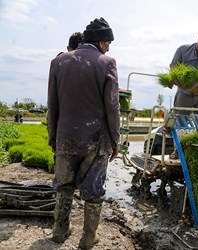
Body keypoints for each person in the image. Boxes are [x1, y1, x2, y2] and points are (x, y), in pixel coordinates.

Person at [47, 17, 120, 249]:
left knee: (64, 186)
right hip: (96, 141)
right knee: (94, 190)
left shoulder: (58, 62)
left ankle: (59, 231)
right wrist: (116, 140)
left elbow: (53, 104)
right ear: (100, 42)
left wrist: (53, 138)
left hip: (65, 137)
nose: (108, 48)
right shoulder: (106, 62)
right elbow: (112, 106)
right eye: (107, 43)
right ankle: (88, 237)